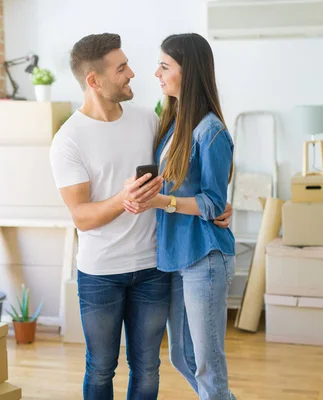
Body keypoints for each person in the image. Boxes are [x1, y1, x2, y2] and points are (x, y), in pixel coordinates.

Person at [50, 33, 232, 400]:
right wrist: (129, 200)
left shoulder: (151, 121)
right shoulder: (70, 139)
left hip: (156, 265)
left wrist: (216, 207)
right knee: (107, 366)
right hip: (109, 270)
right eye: (122, 68)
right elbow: (81, 216)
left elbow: (197, 186)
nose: (136, 73)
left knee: (152, 367)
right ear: (94, 80)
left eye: (161, 65)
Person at [124, 33, 237, 400]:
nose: (156, 73)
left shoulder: (211, 131)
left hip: (204, 257)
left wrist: (160, 202)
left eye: (165, 65)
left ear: (189, 73)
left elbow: (213, 204)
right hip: (175, 256)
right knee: (182, 357)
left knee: (207, 364)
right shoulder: (171, 124)